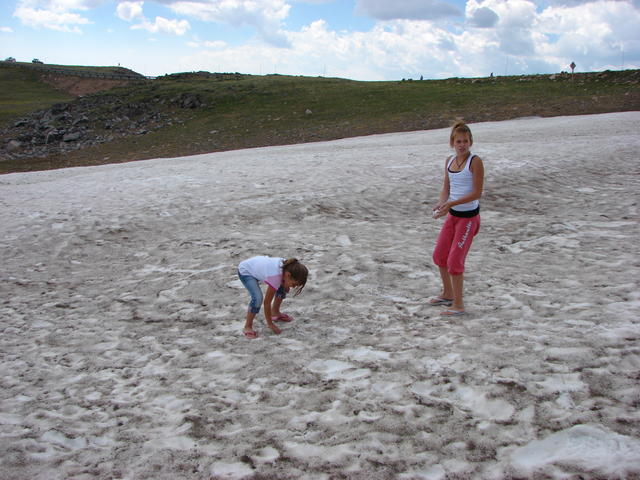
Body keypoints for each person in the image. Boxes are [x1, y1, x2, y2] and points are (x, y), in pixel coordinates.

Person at [430, 121, 484, 316]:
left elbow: (477, 193)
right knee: (439, 255)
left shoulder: (475, 161)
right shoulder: (449, 161)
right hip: (453, 216)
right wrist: (441, 203)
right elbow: (447, 187)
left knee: (454, 261)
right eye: (458, 141)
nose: (462, 145)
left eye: (466, 141)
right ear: (452, 143)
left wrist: (451, 204)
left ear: (471, 142)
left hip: (468, 219)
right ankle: (448, 293)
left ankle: (459, 305)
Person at [237, 256, 308, 338]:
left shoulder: (289, 266)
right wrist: (270, 324)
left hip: (256, 266)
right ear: (288, 275)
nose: (293, 287)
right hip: (246, 271)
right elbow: (267, 303)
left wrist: (287, 285)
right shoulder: (275, 277)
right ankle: (248, 326)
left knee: (284, 287)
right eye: (294, 284)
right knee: (257, 297)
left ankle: (275, 312)